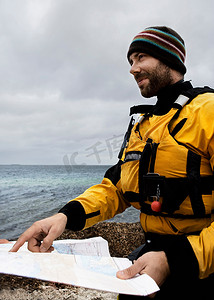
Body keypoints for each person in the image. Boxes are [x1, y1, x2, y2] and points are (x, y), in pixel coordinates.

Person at [11, 26, 214, 299]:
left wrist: (174, 261)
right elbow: (115, 188)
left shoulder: (208, 111)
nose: (133, 69)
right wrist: (64, 216)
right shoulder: (142, 125)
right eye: (131, 61)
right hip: (149, 256)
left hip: (199, 263)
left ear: (169, 59)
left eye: (141, 57)